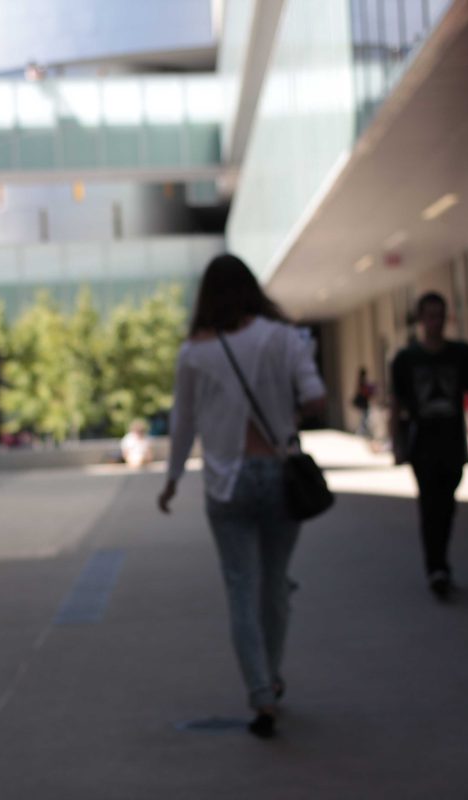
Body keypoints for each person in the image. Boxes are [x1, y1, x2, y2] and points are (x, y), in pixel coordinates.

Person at [158, 254, 327, 740]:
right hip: (278, 474)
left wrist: (171, 479)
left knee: (240, 588)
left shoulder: (195, 351)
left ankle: (260, 695)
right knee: (274, 585)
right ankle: (272, 677)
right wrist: (286, 415)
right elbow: (315, 396)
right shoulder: (284, 338)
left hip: (226, 481)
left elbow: (183, 422)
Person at [390, 292, 468, 601]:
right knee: (429, 505)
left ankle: (441, 563)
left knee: (446, 504)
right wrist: (397, 443)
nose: (435, 322)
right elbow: (396, 404)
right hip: (422, 443)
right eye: (429, 316)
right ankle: (436, 568)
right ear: (420, 320)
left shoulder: (462, 354)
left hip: (452, 441)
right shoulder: (406, 360)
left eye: (439, 315)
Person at [352, 367, 374, 438]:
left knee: (364, 419)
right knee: (364, 420)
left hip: (364, 404)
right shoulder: (362, 382)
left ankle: (362, 433)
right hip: (364, 404)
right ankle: (360, 434)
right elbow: (364, 393)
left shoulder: (361, 382)